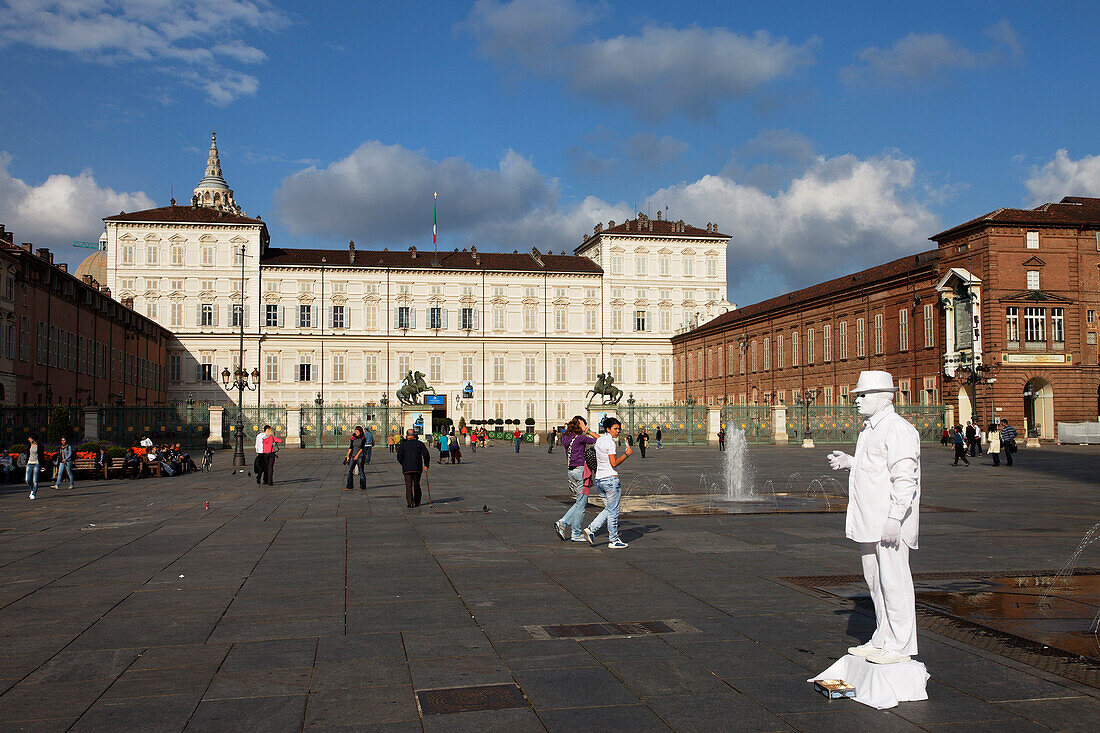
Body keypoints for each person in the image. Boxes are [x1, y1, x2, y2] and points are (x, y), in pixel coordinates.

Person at [827, 370, 921, 665]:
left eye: (862, 395)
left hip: (887, 522)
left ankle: (900, 644)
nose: (856, 401)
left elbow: (905, 478)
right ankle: (883, 636)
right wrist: (850, 463)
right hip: (870, 520)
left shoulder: (898, 429)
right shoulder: (870, 429)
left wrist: (895, 517)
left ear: (882, 397)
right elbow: (874, 466)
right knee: (875, 581)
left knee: (894, 581)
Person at [583, 417, 632, 549]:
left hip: (599, 480)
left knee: (609, 509)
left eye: (619, 429)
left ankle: (592, 530)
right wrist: (627, 454)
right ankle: (613, 539)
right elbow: (614, 463)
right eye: (615, 429)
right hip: (611, 480)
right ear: (608, 429)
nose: (618, 431)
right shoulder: (610, 443)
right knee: (613, 510)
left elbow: (596, 436)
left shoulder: (600, 440)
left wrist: (587, 430)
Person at [555, 416, 598, 542]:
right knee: (581, 505)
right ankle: (574, 531)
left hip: (571, 471)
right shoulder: (581, 438)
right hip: (581, 472)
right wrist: (587, 430)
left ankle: (563, 523)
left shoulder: (566, 438)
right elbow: (600, 440)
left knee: (580, 502)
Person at [396, 429, 430, 507]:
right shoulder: (419, 443)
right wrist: (426, 465)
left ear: (407, 436)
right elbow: (426, 454)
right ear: (414, 435)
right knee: (417, 484)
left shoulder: (403, 445)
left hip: (407, 468)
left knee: (408, 486)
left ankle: (410, 503)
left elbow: (399, 457)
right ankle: (417, 501)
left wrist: (403, 463)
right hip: (417, 467)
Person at [344, 426, 368, 491]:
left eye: (357, 432)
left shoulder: (363, 439)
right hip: (353, 456)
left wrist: (357, 455)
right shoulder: (353, 438)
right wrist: (348, 455)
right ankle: (349, 485)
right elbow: (351, 447)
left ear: (360, 432)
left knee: (361, 471)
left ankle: (362, 486)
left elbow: (362, 448)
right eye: (355, 431)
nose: (356, 433)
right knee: (349, 471)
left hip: (360, 456)